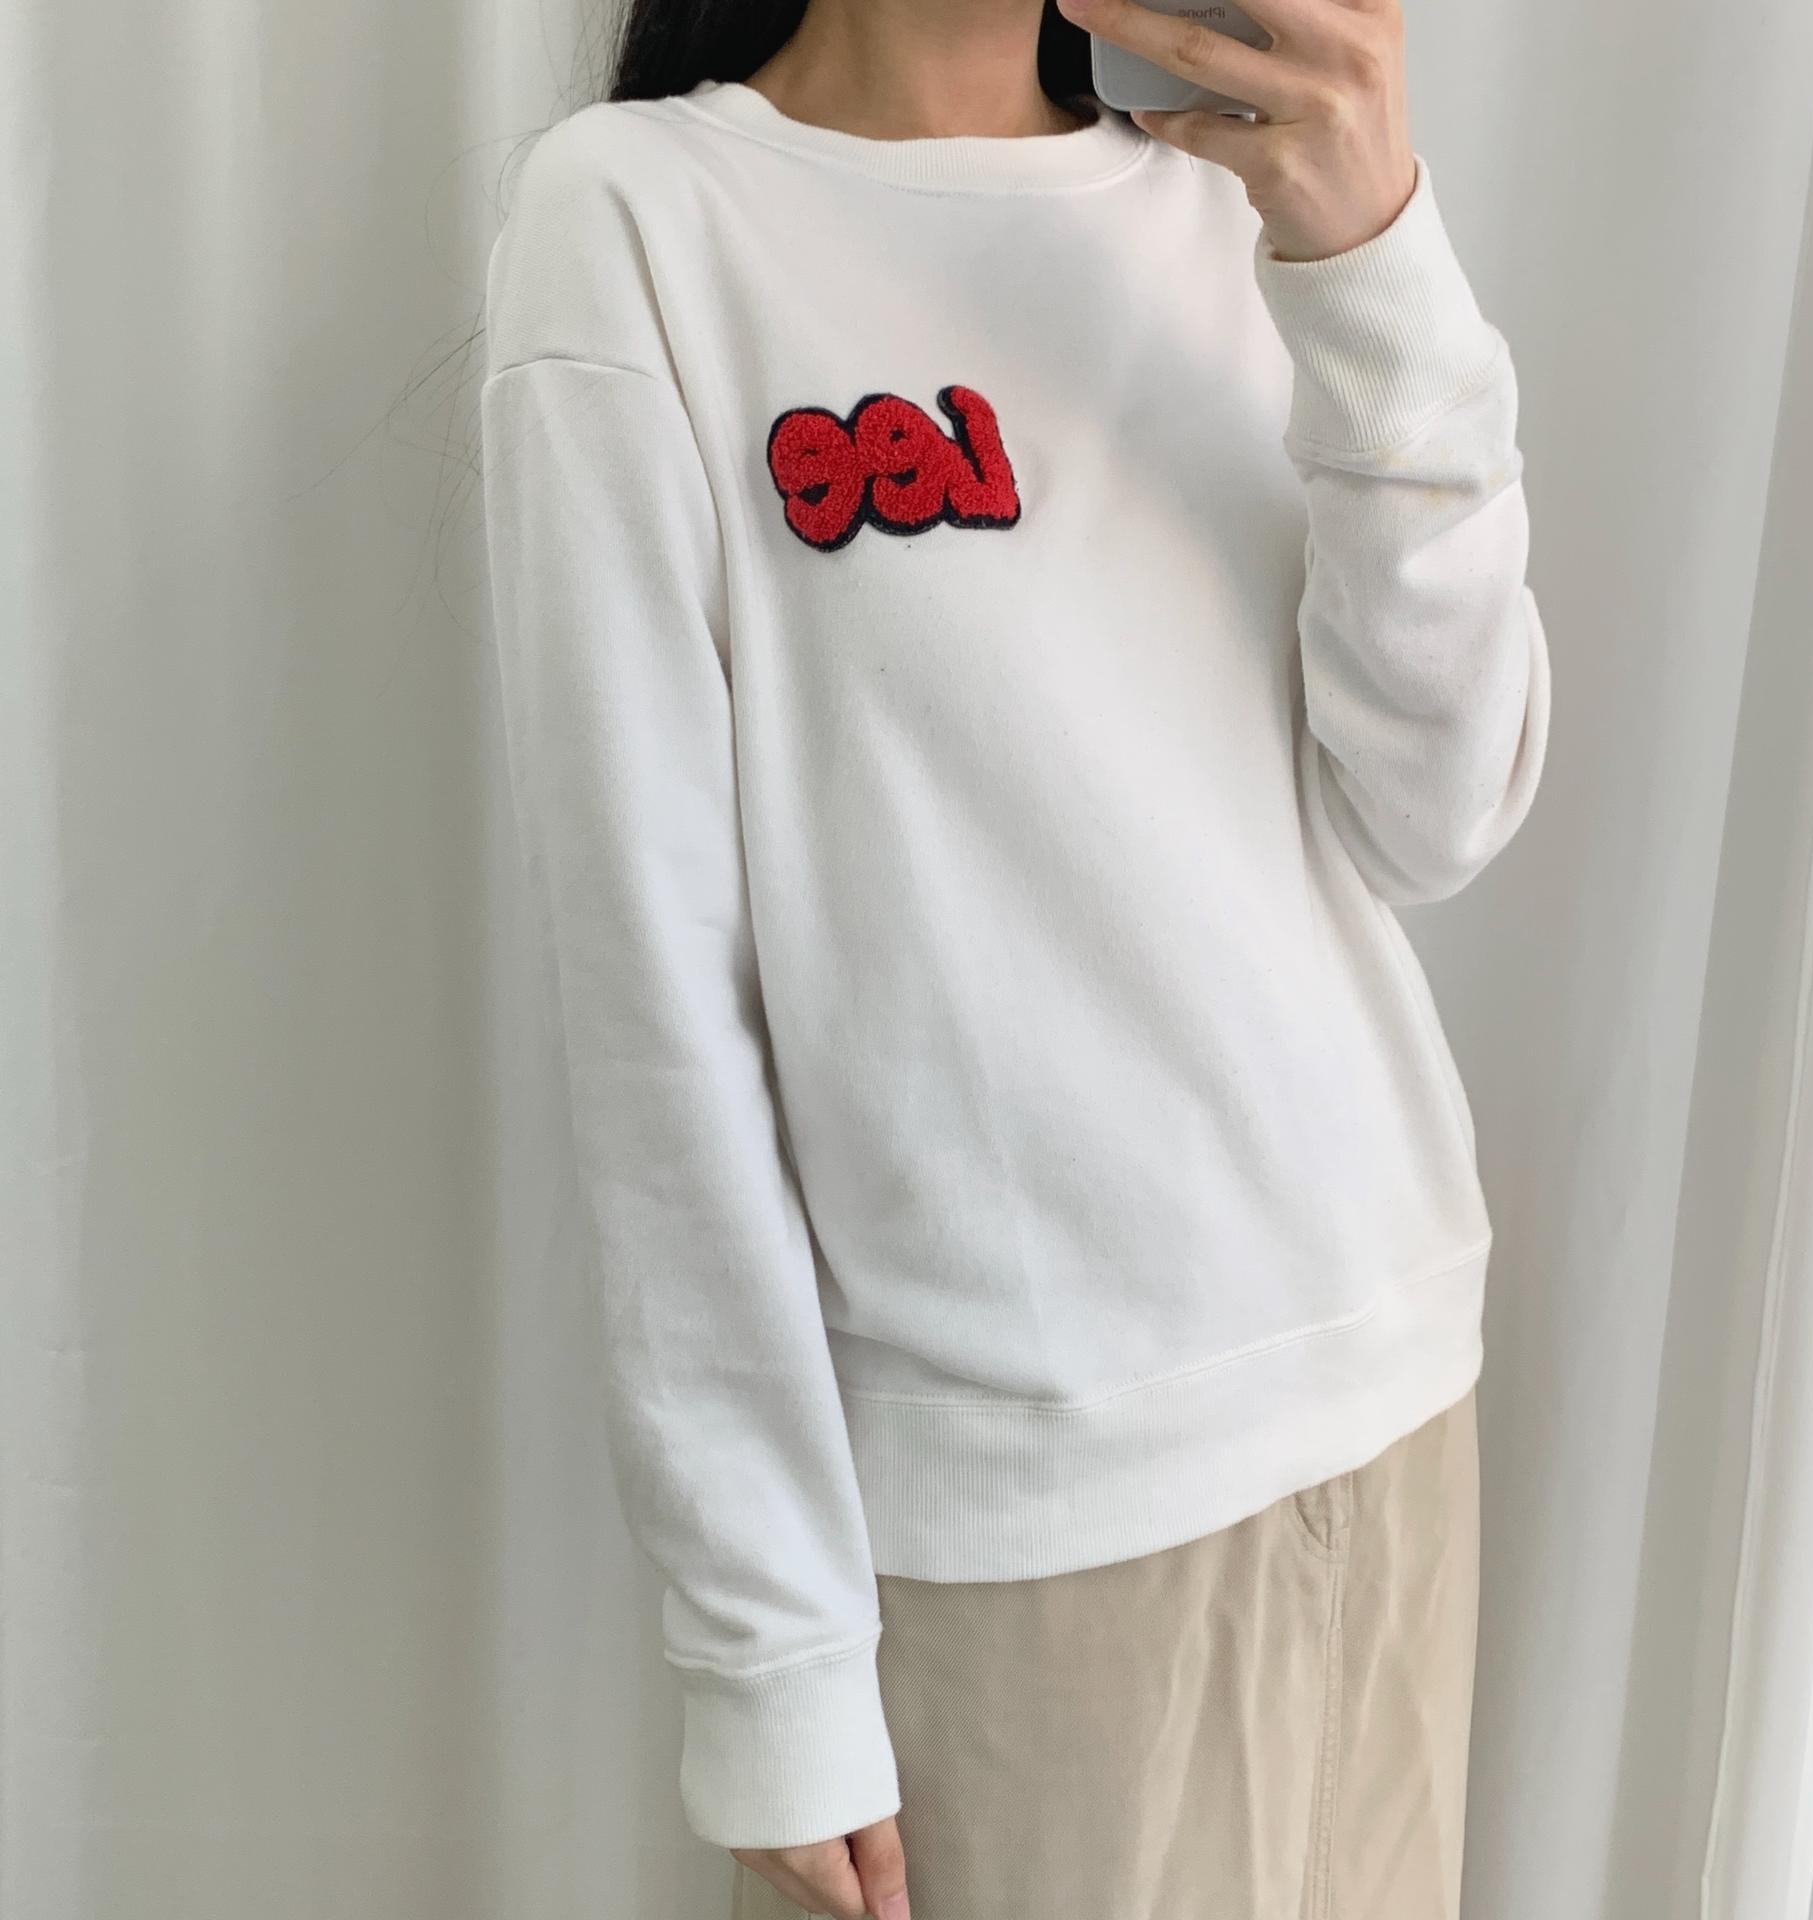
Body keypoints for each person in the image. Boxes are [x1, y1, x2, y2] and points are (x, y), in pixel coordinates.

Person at [478, 0, 1550, 1914]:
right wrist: (770, 1653)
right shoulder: (642, 218)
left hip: (1390, 1409)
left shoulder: (1244, 210)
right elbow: (660, 1012)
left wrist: (1372, 253)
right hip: (1031, 1535)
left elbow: (1435, 817)